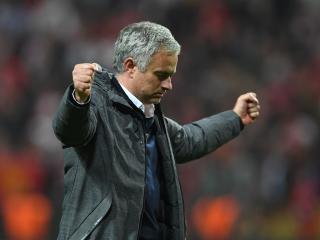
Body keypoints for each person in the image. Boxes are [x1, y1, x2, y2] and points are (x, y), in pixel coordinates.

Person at [52, 21, 260, 240]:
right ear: (131, 66)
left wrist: (235, 118)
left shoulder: (152, 120)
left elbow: (192, 139)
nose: (168, 85)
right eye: (161, 75)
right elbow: (70, 132)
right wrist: (78, 99)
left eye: (170, 75)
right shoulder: (95, 106)